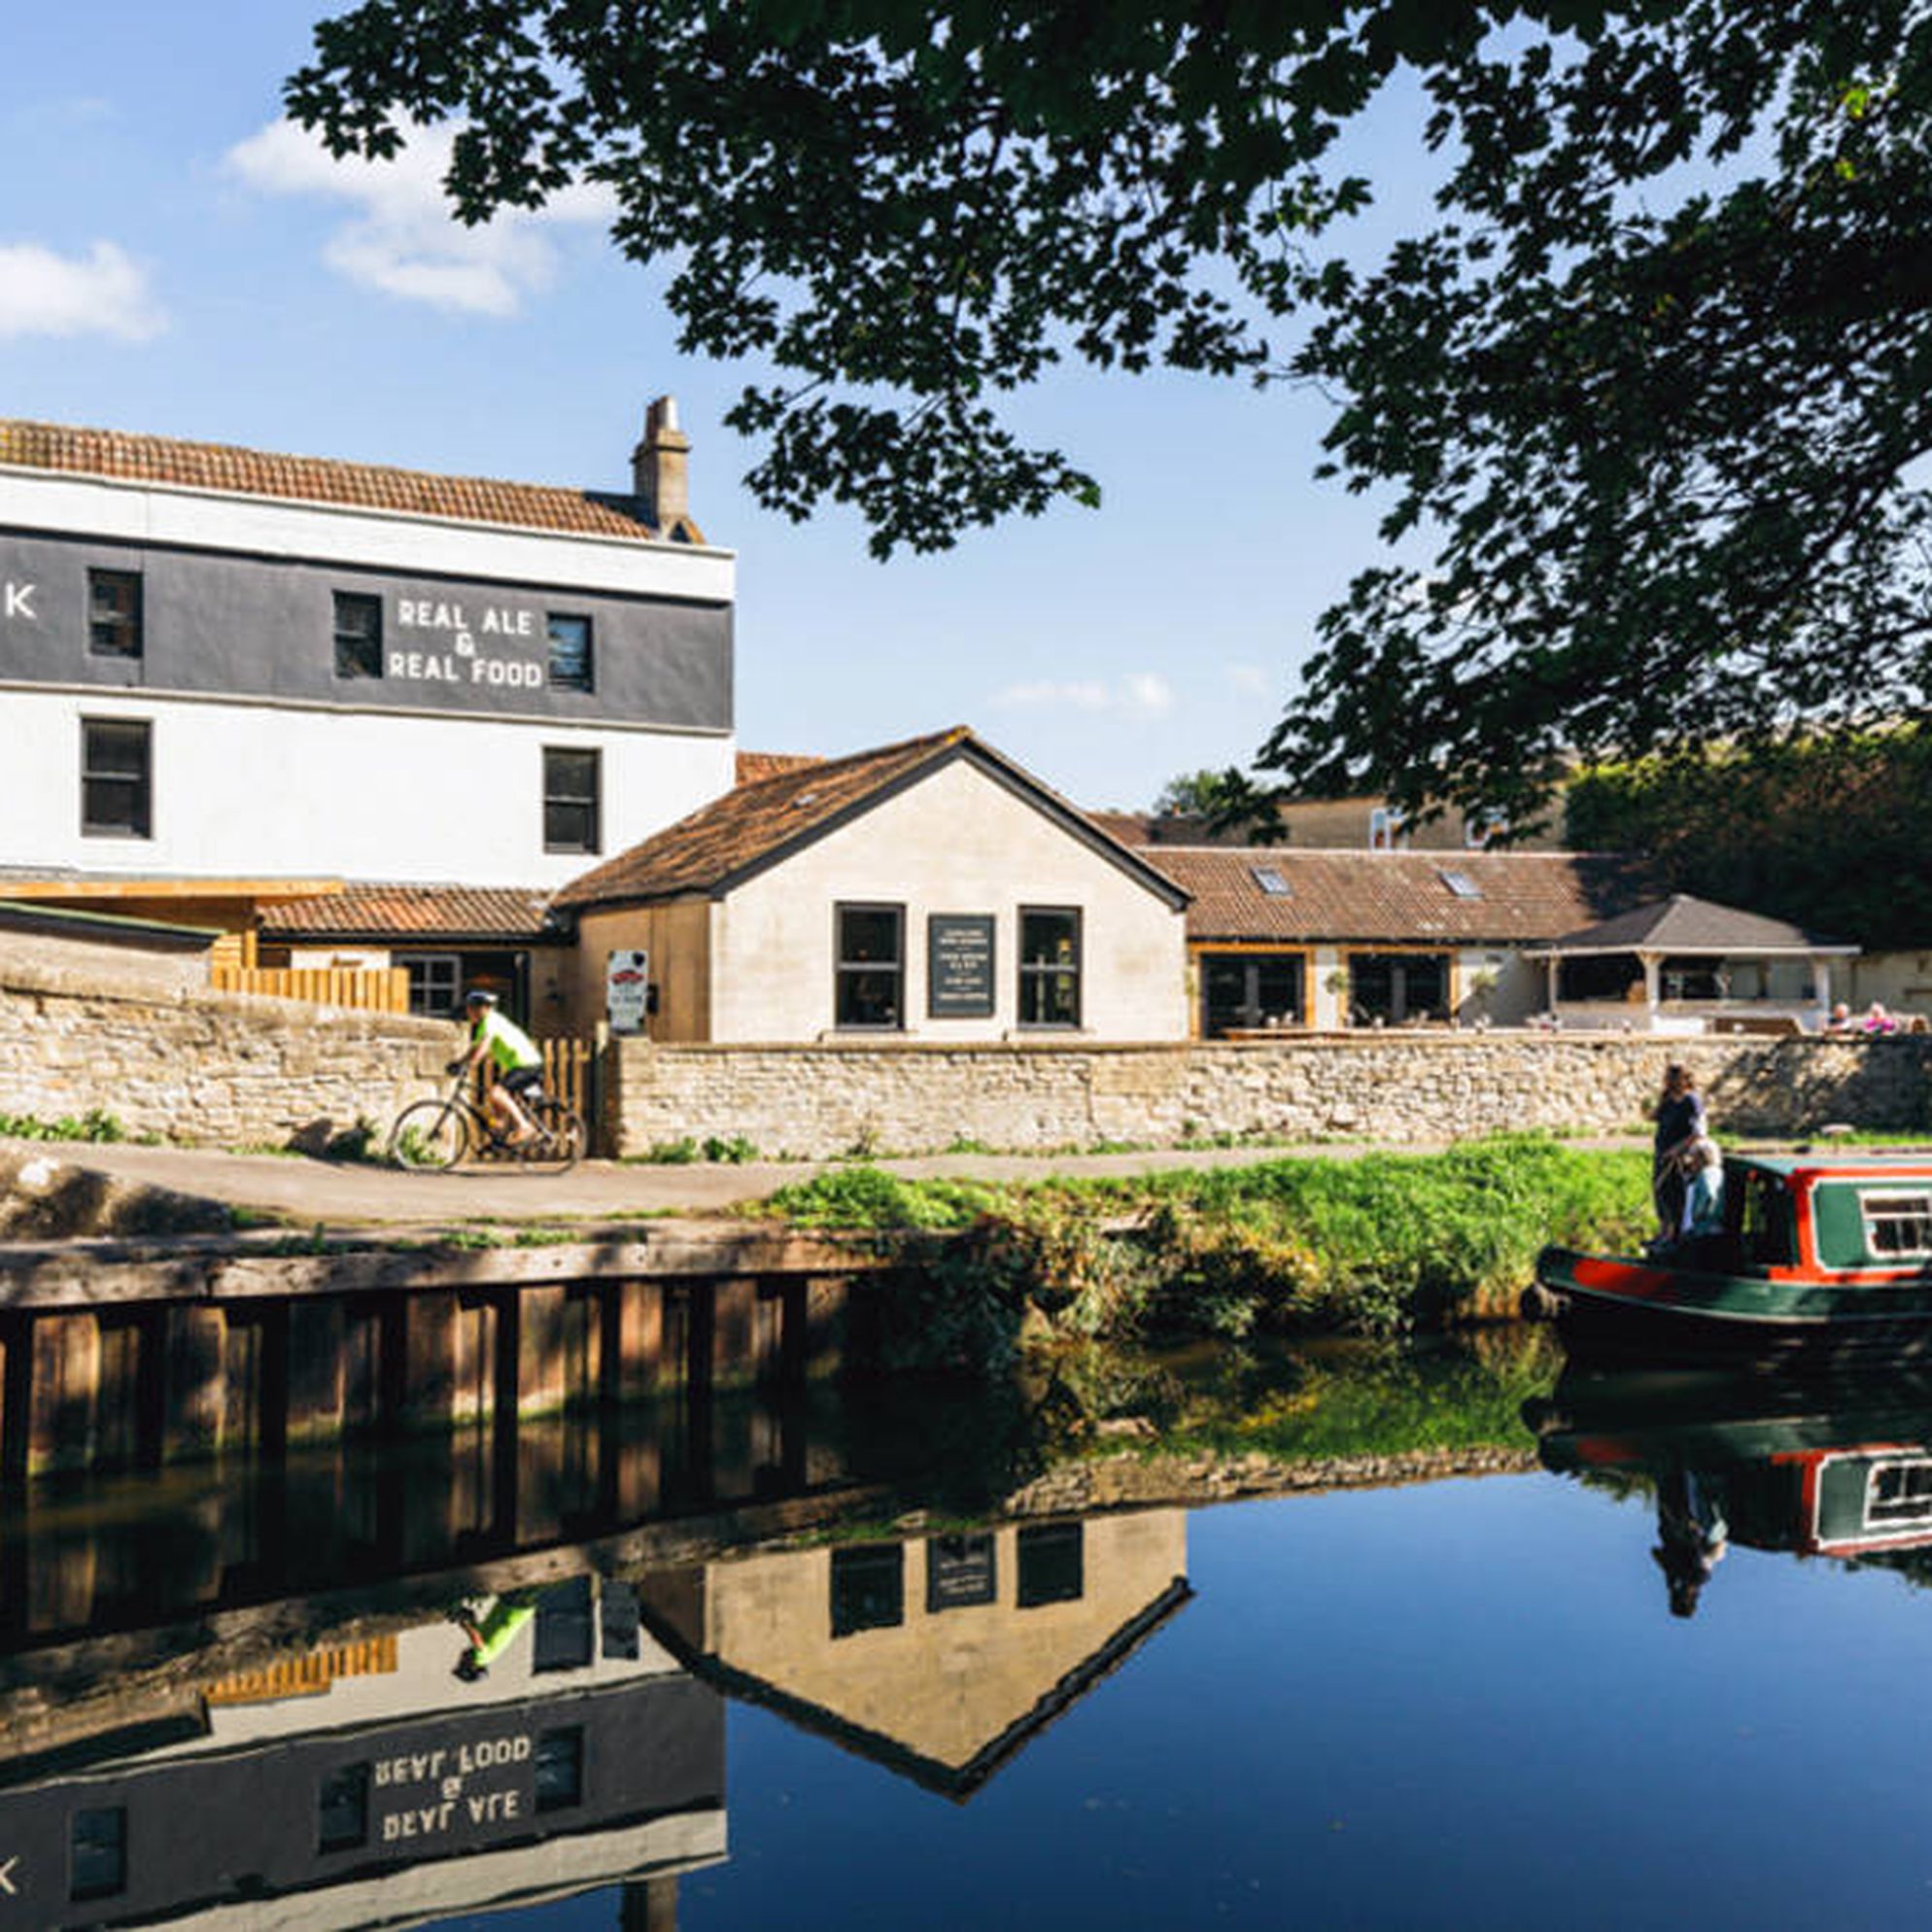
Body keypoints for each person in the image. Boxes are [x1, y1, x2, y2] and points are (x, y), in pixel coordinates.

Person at [451, 988, 545, 1147]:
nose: (468, 1013)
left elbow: (484, 1047)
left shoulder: (491, 1021)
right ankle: (500, 1134)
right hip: (518, 1065)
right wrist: (459, 1062)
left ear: (481, 1008)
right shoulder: (484, 1024)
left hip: (526, 1064)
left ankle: (525, 1127)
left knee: (497, 1093)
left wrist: (470, 1065)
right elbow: (475, 1048)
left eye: (470, 1008)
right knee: (495, 1098)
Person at [1651, 1063, 1707, 1243]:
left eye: (1672, 1078)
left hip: (1679, 1157)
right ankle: (1664, 1231)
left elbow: (1699, 1132)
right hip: (1662, 1154)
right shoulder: (1668, 1100)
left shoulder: (1691, 1101)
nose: (1668, 1081)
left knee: (1676, 1194)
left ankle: (1674, 1234)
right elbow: (1656, 1118)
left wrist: (1677, 1149)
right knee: (1661, 1192)